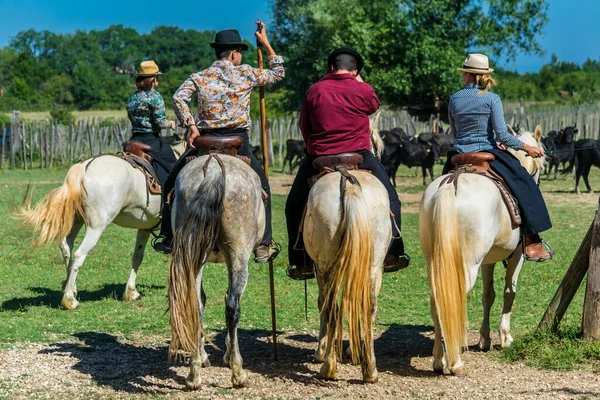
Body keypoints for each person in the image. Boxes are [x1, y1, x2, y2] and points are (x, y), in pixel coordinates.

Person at [153, 22, 284, 263]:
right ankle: (264, 244)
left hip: (204, 141)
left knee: (171, 184)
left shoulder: (200, 76)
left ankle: (168, 236)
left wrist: (190, 125)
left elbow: (178, 98)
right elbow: (278, 72)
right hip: (237, 141)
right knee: (263, 188)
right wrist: (266, 43)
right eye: (240, 52)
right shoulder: (246, 72)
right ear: (234, 52)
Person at [285, 47, 411, 280]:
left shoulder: (315, 90)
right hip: (360, 155)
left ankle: (300, 262)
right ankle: (393, 253)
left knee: (294, 205)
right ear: (355, 71)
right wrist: (357, 80)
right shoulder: (362, 89)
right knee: (392, 198)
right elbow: (374, 106)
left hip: (319, 158)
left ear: (331, 67)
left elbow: (305, 126)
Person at [443, 53, 552, 261]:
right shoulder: (492, 99)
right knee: (523, 182)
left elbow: (456, 134)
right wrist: (527, 148)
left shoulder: (454, 98)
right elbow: (502, 135)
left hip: (458, 154)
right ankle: (532, 242)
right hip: (487, 151)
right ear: (484, 75)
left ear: (467, 74)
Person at [126, 60, 177, 185]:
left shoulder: (133, 97)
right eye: (157, 77)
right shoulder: (155, 96)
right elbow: (161, 123)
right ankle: (168, 196)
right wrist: (170, 123)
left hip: (134, 139)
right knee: (174, 166)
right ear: (153, 79)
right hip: (151, 140)